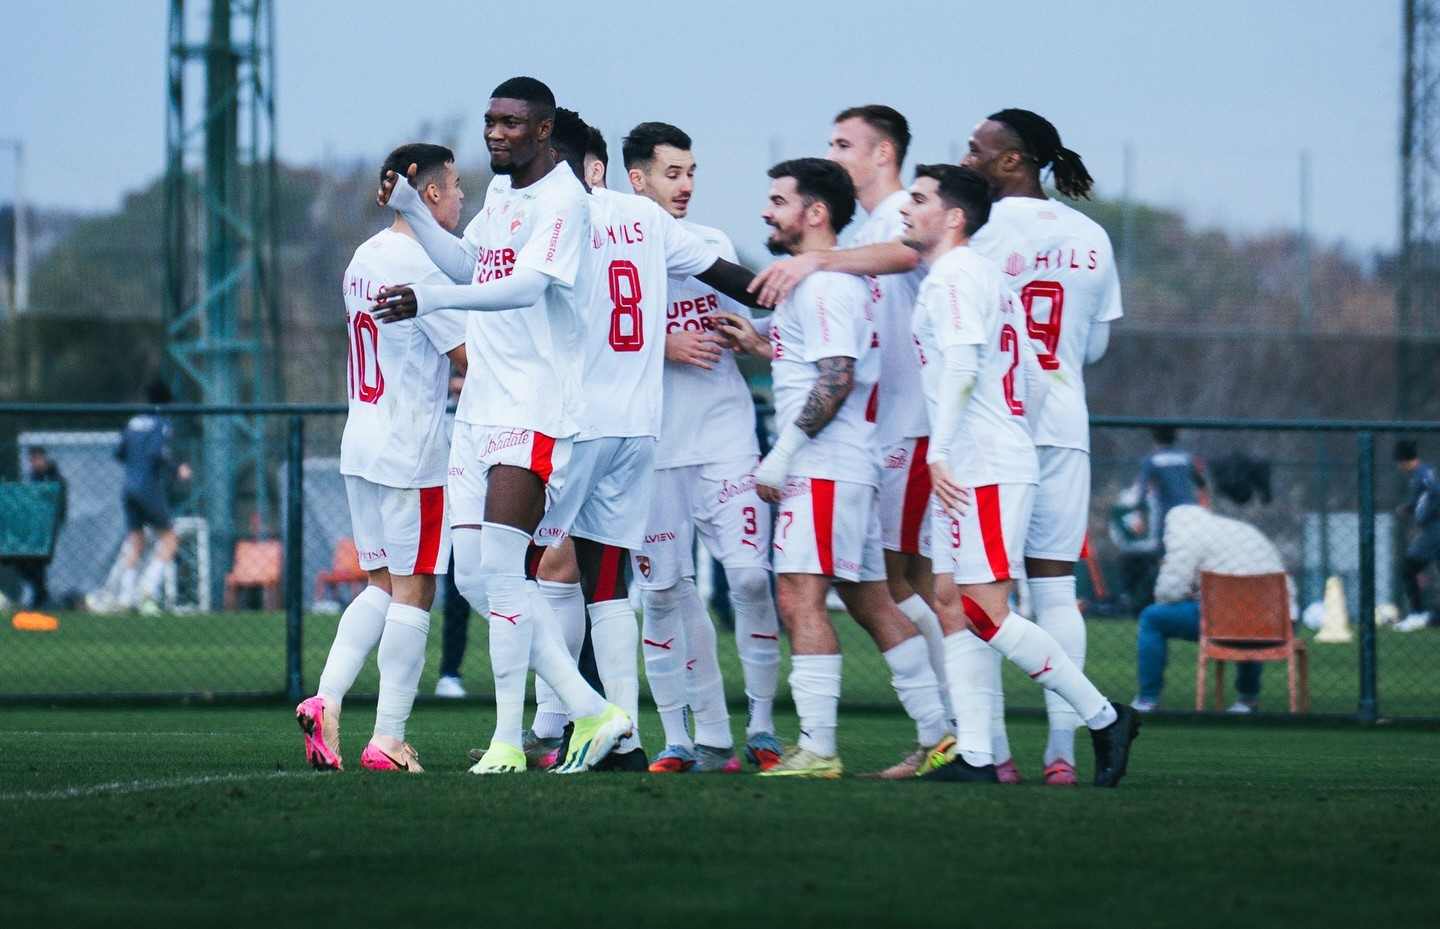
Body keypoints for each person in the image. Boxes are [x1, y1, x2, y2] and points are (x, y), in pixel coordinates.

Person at [374, 77, 632, 775]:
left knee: (505, 573)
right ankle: (592, 709)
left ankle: (509, 741)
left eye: (510, 122)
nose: (494, 132)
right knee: (480, 584)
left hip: (535, 410)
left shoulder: (565, 202)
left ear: (543, 130)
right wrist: (413, 213)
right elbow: (471, 260)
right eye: (490, 120)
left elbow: (525, 286)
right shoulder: (500, 196)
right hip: (479, 411)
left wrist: (434, 299)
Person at [897, 163, 1139, 787]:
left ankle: (1105, 717)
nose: (906, 207)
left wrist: (946, 448)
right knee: (952, 603)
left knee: (983, 610)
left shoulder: (954, 275)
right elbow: (1030, 378)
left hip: (979, 465)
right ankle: (976, 755)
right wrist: (1002, 431)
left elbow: (962, 363)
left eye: (919, 199)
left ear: (953, 218)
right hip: (985, 457)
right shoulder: (982, 275)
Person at [718, 158, 949, 778]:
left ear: (815, 212)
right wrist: (761, 343)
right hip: (844, 466)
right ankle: (939, 735)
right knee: (873, 602)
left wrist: (782, 457)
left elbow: (837, 379)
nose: (766, 211)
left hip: (823, 466)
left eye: (777, 200)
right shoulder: (823, 285)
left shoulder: (823, 285)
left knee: (799, 598)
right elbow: (823, 364)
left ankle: (818, 747)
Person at [294, 142, 469, 774]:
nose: (459, 201)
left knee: (379, 585)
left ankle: (326, 698)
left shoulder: (363, 256)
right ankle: (388, 739)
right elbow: (467, 359)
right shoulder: (419, 262)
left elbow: (406, 352)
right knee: (416, 592)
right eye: (453, 190)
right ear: (428, 194)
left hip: (361, 442)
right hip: (410, 448)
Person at [621, 121, 783, 774]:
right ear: (638, 180)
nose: (686, 186)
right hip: (650, 451)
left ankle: (764, 729)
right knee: (662, 592)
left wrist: (757, 336)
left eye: (691, 173)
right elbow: (587, 338)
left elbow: (768, 320)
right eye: (672, 173)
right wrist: (663, 345)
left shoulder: (711, 244)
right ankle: (680, 738)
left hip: (725, 440)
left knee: (748, 577)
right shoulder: (614, 252)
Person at [826, 106, 954, 777]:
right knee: (919, 587)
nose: (834, 153)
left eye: (844, 144)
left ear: (884, 152)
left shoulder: (905, 209)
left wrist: (817, 258)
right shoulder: (870, 227)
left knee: (887, 581)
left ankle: (950, 731)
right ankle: (960, 733)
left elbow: (912, 252)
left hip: (907, 424)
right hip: (893, 426)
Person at [1132, 451, 1291, 712]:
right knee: (1249, 610)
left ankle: (1148, 698)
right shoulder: (1251, 533)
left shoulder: (1187, 527)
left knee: (1152, 617)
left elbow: (1169, 591)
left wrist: (1180, 594)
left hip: (1221, 621)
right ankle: (1247, 699)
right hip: (1274, 623)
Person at [115, 379, 192, 613]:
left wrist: (135, 467)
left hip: (128, 486)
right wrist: (176, 468)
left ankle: (125, 598)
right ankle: (147, 591)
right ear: (168, 402)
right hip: (147, 485)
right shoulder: (162, 423)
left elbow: (118, 452)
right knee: (170, 537)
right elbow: (156, 452)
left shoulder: (134, 421)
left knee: (136, 541)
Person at [436, 372, 472, 698]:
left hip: (490, 518)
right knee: (456, 599)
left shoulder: (484, 412)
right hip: (452, 523)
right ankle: (449, 673)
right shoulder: (441, 416)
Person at [1393, 439, 1440, 631]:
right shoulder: (1419, 476)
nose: (1399, 468)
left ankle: (1416, 614)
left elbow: (1435, 489)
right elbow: (1425, 499)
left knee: (1408, 567)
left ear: (1403, 461)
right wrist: (1409, 507)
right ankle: (1433, 618)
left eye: (1398, 465)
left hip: (1435, 530)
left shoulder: (1424, 474)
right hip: (1432, 529)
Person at [17, 446, 67, 608]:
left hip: (47, 527)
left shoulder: (55, 478)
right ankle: (39, 593)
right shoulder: (33, 478)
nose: (33, 463)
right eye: (31, 460)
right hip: (32, 528)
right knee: (27, 560)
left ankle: (38, 595)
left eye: (35, 459)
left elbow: (57, 506)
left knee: (37, 560)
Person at [1139, 426, 1208, 536]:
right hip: (1187, 513)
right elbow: (1201, 483)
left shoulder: (1152, 459)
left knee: (1164, 547)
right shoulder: (1186, 457)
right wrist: (1205, 506)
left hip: (1165, 515)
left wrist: (1139, 517)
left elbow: (1142, 491)